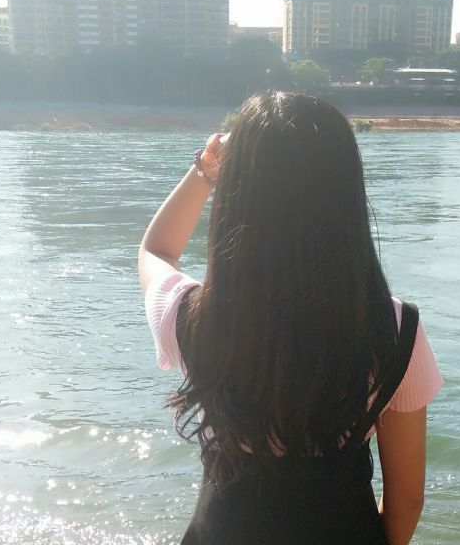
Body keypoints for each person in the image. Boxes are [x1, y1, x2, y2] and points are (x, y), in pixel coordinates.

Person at [138, 92, 442, 544]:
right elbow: (407, 501)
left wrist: (203, 172)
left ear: (236, 197)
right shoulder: (395, 329)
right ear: (346, 196)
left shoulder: (192, 317)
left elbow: (156, 250)